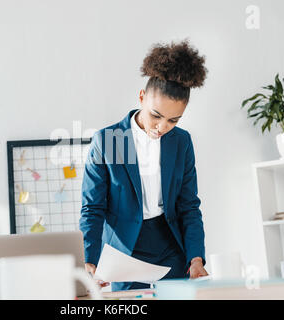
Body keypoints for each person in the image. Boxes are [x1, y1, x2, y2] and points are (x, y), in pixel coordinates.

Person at [79, 39, 208, 291]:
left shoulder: (181, 142)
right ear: (141, 97)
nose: (162, 127)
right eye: (156, 116)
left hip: (171, 249)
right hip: (124, 254)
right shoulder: (111, 141)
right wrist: (89, 260)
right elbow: (93, 208)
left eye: (173, 120)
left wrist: (196, 258)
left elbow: (189, 206)